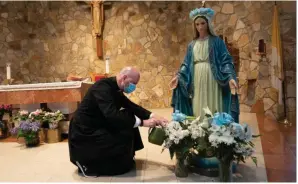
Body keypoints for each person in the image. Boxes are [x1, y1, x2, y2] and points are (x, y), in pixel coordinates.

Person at [169, 7, 239, 176]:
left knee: (214, 108)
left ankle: (216, 145)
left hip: (213, 79)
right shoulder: (191, 44)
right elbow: (186, 64)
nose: (200, 27)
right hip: (197, 80)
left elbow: (225, 61)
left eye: (203, 23)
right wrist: (178, 76)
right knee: (199, 108)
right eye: (197, 24)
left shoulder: (216, 42)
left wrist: (230, 76)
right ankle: (200, 143)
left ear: (208, 24)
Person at [68, 67, 168, 177]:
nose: (134, 87)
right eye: (133, 83)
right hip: (85, 131)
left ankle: (125, 160)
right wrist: (142, 123)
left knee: (128, 123)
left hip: (98, 123)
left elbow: (130, 105)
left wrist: (153, 115)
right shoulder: (102, 88)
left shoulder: (115, 87)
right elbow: (112, 115)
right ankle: (87, 164)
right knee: (124, 127)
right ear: (124, 77)